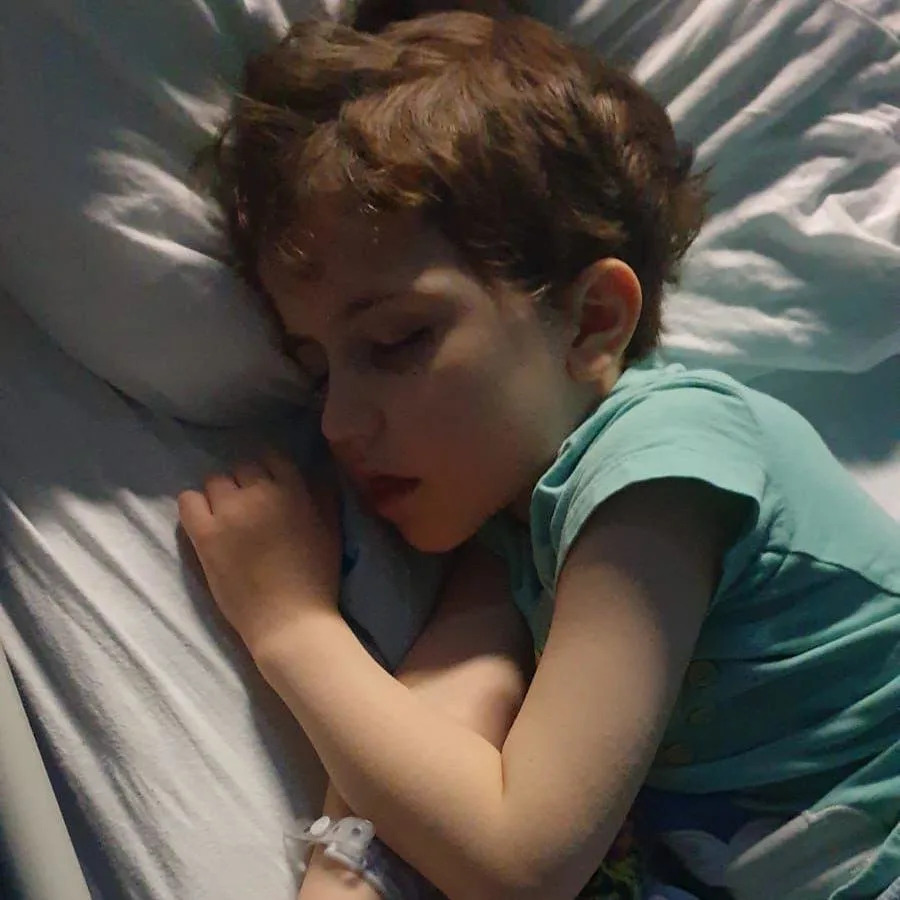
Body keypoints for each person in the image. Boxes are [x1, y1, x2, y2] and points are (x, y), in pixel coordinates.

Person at [178, 11, 900, 900]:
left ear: (592, 321)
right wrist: (340, 871)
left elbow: (522, 859)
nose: (335, 423)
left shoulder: (664, 467)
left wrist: (289, 624)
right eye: (315, 367)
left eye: (397, 340)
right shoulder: (512, 534)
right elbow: (436, 720)